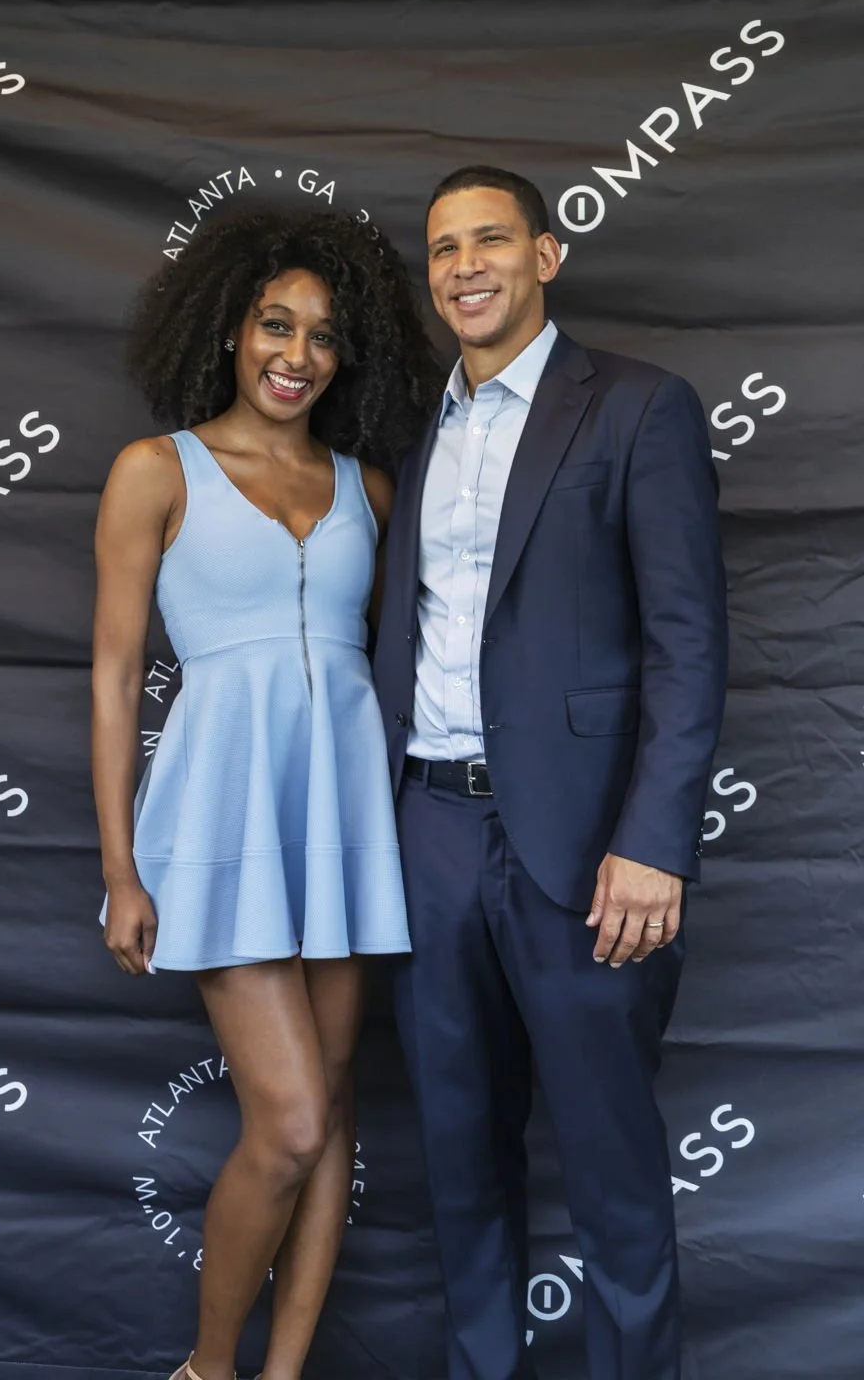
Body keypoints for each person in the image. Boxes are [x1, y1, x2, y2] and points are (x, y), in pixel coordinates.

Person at [373, 165, 728, 1380]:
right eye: (442, 250)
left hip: (584, 852)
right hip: (427, 832)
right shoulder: (410, 428)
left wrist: (655, 843)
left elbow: (687, 644)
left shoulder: (636, 406)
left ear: (545, 256)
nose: (463, 267)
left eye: (489, 241)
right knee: (457, 1159)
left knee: (611, 1168)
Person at [91, 208, 439, 1380]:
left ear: (350, 355)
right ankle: (206, 1370)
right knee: (287, 1124)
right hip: (220, 821)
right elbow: (115, 675)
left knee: (329, 1114)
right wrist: (120, 870)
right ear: (229, 331)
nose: (297, 354)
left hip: (342, 824)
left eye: (324, 335)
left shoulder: (370, 491)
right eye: (275, 325)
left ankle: (283, 1375)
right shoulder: (156, 472)